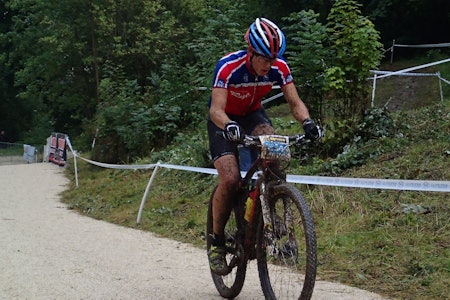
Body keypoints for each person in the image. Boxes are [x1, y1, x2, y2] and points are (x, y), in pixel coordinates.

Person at [206, 17, 323, 275]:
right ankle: (216, 242)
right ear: (251, 52)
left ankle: (269, 202)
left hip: (253, 115)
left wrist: (308, 122)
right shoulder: (228, 67)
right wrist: (228, 126)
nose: (269, 65)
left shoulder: (278, 67)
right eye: (264, 59)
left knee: (276, 152)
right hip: (224, 120)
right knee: (230, 178)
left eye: (273, 59)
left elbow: (294, 102)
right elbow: (216, 109)